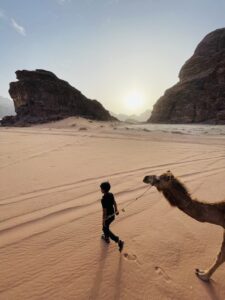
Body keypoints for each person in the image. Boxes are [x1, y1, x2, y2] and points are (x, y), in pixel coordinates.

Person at [100, 181, 124, 252]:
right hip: (113, 215)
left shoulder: (103, 199)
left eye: (101, 189)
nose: (100, 190)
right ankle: (106, 238)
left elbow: (104, 211)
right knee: (106, 228)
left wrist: (103, 220)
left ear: (103, 190)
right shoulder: (111, 194)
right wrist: (116, 210)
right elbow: (114, 202)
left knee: (104, 228)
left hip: (107, 217)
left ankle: (118, 241)